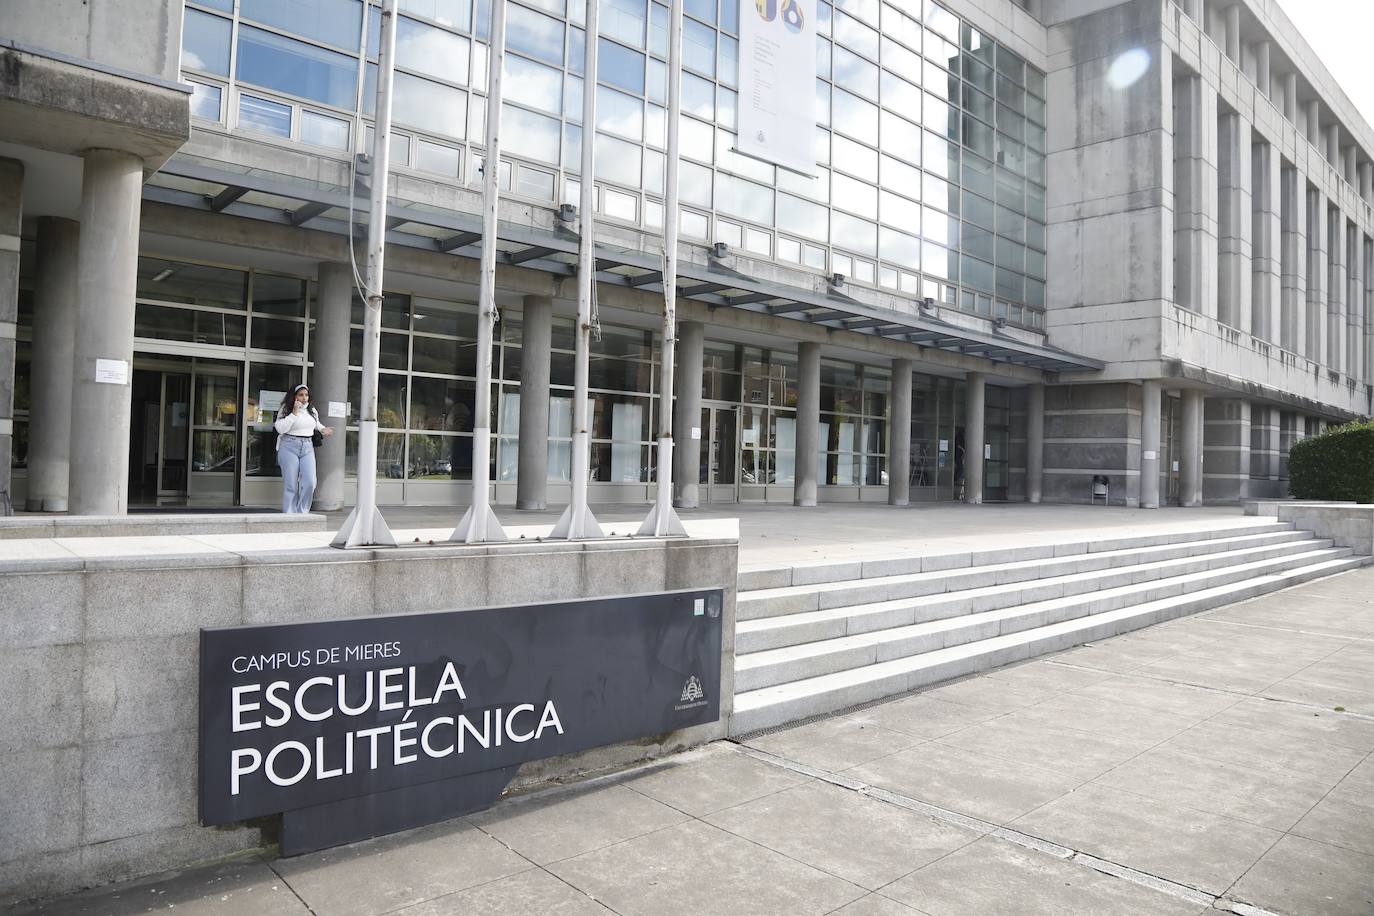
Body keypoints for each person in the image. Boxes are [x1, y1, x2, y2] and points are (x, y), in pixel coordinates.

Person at [273, 384, 333, 513]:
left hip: (307, 447)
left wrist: (323, 429)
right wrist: (294, 412)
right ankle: (289, 513)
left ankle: (302, 511)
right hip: (289, 445)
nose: (304, 398)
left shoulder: (311, 409)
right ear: (294, 396)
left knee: (310, 481)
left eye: (306, 395)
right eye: (301, 395)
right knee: (291, 483)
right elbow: (280, 428)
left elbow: (315, 423)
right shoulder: (286, 408)